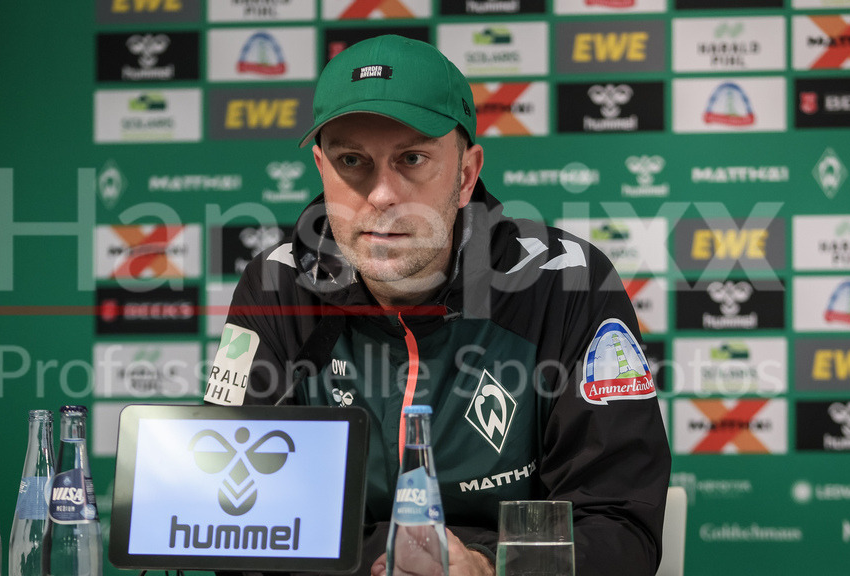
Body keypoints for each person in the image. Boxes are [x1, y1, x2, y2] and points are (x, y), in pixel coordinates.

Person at [204, 35, 671, 576]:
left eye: (413, 158)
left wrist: (488, 567)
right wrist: (382, 560)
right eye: (351, 160)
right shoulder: (277, 286)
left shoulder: (569, 283)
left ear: (467, 174)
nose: (381, 195)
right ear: (321, 167)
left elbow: (619, 523)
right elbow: (234, 518)